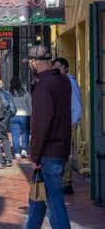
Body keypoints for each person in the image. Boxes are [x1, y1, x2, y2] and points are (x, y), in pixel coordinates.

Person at [26, 46, 71, 229]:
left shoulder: (43, 85)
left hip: (48, 152)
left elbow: (41, 123)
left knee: (54, 202)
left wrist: (35, 156)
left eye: (31, 61)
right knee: (38, 199)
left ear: (35, 62)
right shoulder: (63, 81)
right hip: (60, 148)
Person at [52, 57, 83, 195]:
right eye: (54, 67)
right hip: (60, 123)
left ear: (65, 68)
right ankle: (63, 181)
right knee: (60, 152)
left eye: (58, 67)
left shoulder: (70, 82)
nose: (56, 69)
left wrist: (74, 121)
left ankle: (67, 182)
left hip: (67, 123)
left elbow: (76, 103)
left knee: (64, 153)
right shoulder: (60, 82)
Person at [9, 76, 31, 159]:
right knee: (25, 133)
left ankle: (17, 152)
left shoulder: (9, 93)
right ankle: (24, 150)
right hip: (25, 115)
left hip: (13, 115)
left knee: (15, 134)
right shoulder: (25, 92)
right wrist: (31, 114)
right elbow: (30, 104)